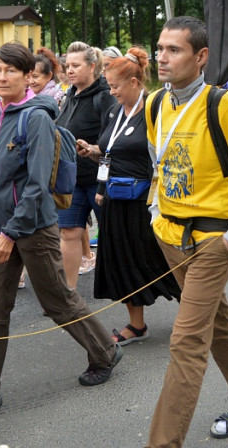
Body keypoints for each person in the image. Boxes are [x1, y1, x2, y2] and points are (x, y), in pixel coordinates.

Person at [0, 42, 121, 422]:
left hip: (33, 230)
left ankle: (105, 352)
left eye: (11, 70)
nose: (2, 76)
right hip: (0, 231)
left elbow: (37, 184)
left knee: (57, 301)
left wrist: (10, 234)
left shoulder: (36, 117)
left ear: (29, 77)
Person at [144, 16, 228, 446]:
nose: (162, 57)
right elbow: (158, 167)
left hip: (211, 243)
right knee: (217, 320)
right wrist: (154, 213)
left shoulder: (226, 106)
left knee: (186, 341)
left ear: (201, 57)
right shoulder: (154, 105)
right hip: (170, 238)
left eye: (174, 50)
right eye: (160, 48)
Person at [75, 47, 181, 344]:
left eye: (116, 86)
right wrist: (94, 153)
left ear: (134, 83)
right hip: (116, 202)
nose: (112, 91)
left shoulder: (155, 109)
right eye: (109, 86)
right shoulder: (114, 111)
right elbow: (109, 152)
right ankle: (137, 325)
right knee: (123, 263)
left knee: (162, 261)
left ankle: (200, 314)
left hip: (146, 203)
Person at [55, 42, 116, 286]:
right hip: (72, 179)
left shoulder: (104, 96)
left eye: (75, 66)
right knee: (69, 233)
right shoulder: (70, 94)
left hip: (100, 179)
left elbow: (113, 137)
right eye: (67, 66)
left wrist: (92, 149)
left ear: (92, 66)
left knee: (112, 236)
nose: (69, 70)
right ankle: (68, 293)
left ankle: (120, 288)